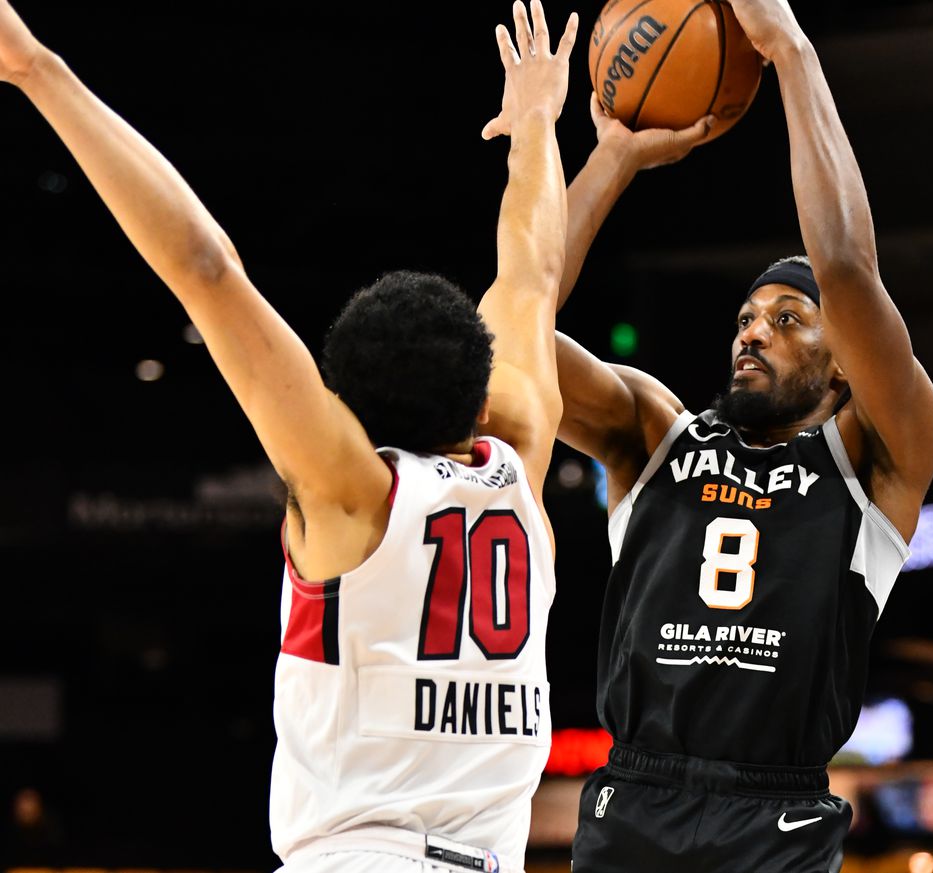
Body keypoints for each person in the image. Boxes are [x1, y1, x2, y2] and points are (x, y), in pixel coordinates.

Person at [0, 1, 578, 871]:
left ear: (343, 410)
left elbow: (205, 268)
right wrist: (537, 120)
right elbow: (530, 269)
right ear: (483, 405)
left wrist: (33, 66)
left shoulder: (350, 493)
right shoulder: (523, 459)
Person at [549, 0, 933, 870]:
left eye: (788, 318)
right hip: (633, 801)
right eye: (746, 316)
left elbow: (844, 267)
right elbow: (503, 342)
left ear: (845, 365)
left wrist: (789, 50)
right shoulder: (657, 434)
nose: (752, 331)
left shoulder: (875, 458)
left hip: (777, 816)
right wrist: (611, 159)